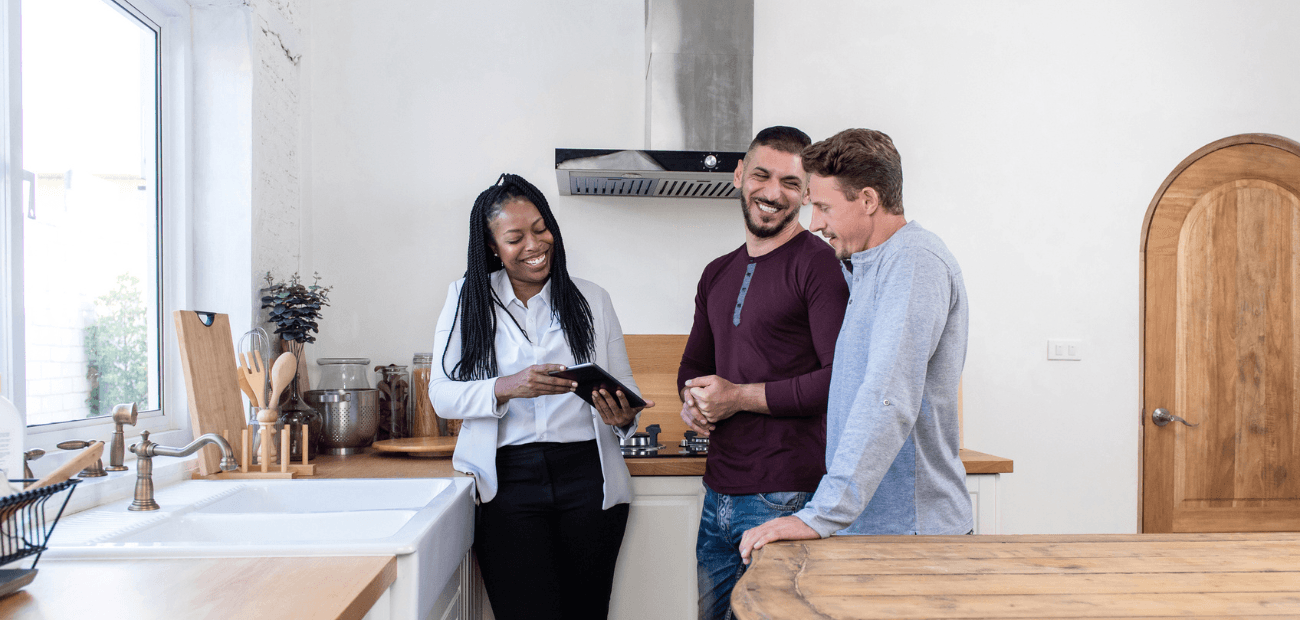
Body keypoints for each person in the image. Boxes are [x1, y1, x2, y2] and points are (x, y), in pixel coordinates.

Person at [738, 129, 972, 563]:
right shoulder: (867, 266)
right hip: (875, 529)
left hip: (912, 534)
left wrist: (821, 514)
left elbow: (889, 397)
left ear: (868, 200)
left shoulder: (914, 262)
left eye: (824, 207)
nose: (815, 224)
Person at [428, 173, 654, 620]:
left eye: (540, 228)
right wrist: (507, 387)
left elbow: (627, 394)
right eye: (515, 237)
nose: (534, 243)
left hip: (588, 479)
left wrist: (621, 415)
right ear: (493, 247)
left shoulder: (592, 299)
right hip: (508, 484)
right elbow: (442, 396)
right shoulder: (466, 299)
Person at [677, 126, 850, 620]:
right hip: (717, 497)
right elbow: (693, 366)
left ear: (808, 192)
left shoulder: (820, 265)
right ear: (739, 175)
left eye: (792, 183)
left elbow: (837, 379)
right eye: (762, 175)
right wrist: (694, 401)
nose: (773, 193)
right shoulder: (716, 272)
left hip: (787, 496)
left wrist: (737, 397)